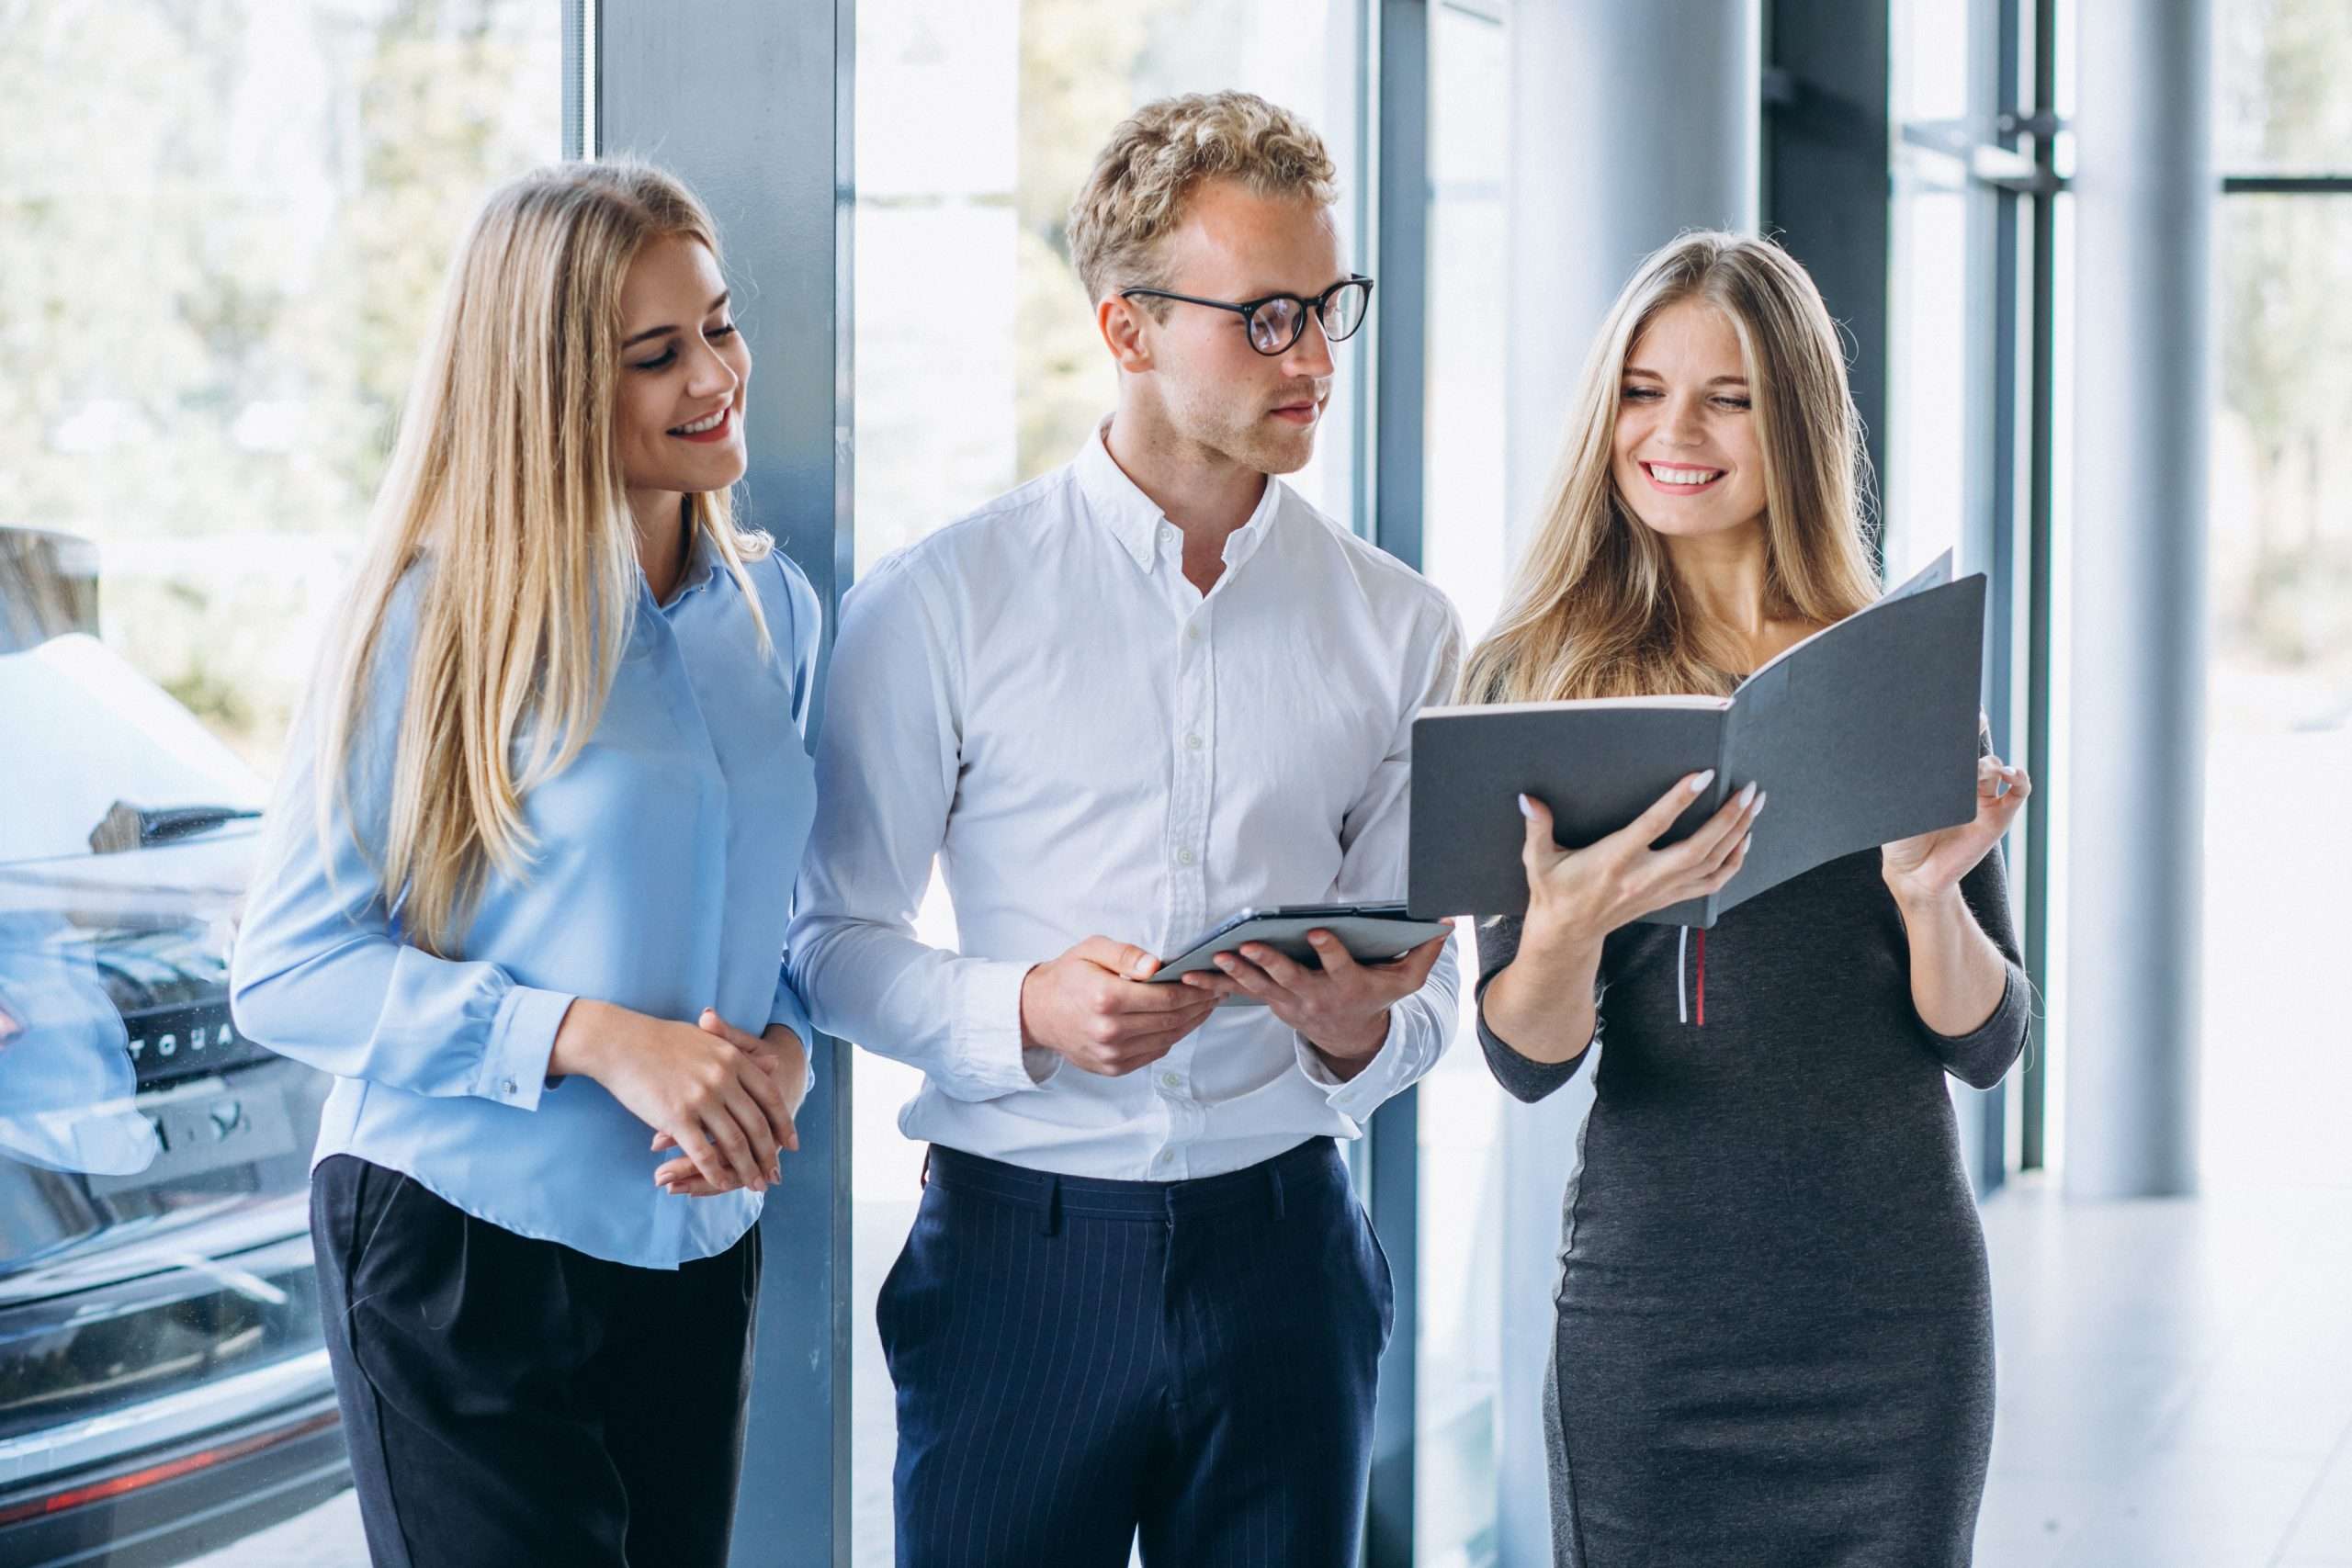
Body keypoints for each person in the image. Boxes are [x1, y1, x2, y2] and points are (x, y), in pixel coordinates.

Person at [784, 91, 1462, 1567]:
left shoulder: (1401, 627)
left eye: (1329, 306)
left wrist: (1359, 1031)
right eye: (1267, 317)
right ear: (1128, 327)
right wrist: (1021, 1005)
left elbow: (1430, 997)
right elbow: (826, 941)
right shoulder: (943, 601)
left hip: (1289, 1251)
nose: (1317, 358)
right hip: (1017, 1266)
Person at [230, 161, 821, 1568]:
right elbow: (286, 970)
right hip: (455, 1244)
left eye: (719, 329)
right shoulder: (428, 623)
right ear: (548, 384)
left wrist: (782, 1054)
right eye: (655, 355)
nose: (716, 376)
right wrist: (593, 1038)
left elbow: (779, 923)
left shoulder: (774, 611)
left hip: (693, 1248)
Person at [1463, 231, 2032, 1567]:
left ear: (1798, 423)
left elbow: (1989, 1040)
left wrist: (1924, 895)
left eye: (1730, 398)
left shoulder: (1896, 673)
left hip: (1892, 1320)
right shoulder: (1534, 686)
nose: (1677, 432)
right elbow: (1524, 1059)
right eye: (1644, 390)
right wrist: (1566, 926)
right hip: (1651, 1325)